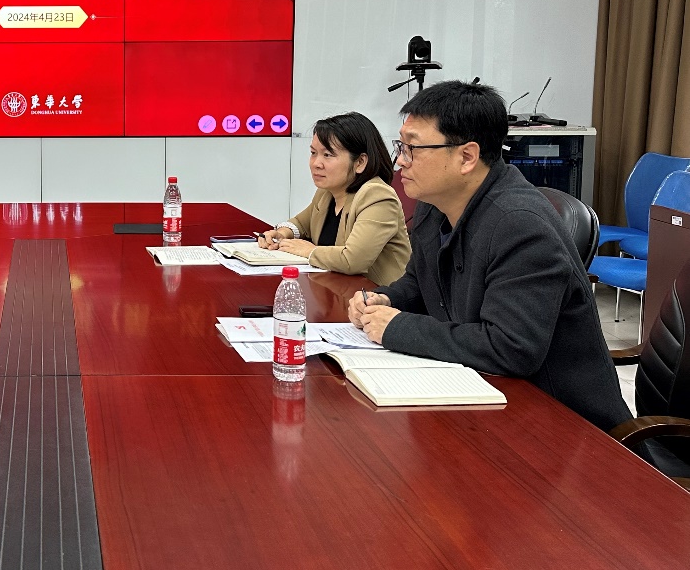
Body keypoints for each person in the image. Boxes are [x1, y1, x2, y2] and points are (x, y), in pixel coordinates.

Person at [347, 80, 631, 431]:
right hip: (482, 397)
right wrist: (386, 299)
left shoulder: (520, 226)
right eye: (400, 146)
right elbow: (420, 283)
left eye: (412, 149)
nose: (400, 162)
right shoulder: (434, 205)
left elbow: (510, 348)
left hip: (562, 425)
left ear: (467, 157)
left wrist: (397, 327)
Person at [258, 112, 410, 286]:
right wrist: (282, 233)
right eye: (313, 153)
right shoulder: (327, 192)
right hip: (336, 290)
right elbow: (301, 224)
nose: (316, 163)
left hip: (379, 297)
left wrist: (310, 251)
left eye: (328, 155)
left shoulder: (377, 196)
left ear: (360, 162)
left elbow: (353, 260)